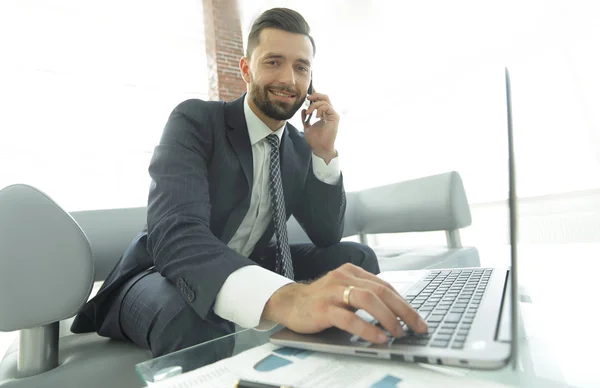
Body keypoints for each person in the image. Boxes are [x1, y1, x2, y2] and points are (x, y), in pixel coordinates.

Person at [71, 7, 427, 358]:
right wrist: (285, 298)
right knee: (194, 316)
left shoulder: (300, 149)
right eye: (273, 62)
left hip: (251, 260)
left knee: (356, 257)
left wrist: (323, 153)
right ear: (246, 69)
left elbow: (326, 234)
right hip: (160, 270)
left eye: (301, 67)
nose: (289, 79)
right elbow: (176, 233)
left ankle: (343, 361)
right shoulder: (195, 120)